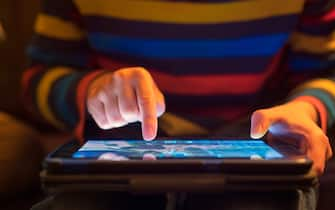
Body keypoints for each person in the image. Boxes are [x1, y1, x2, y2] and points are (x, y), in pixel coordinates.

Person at [25, 0, 334, 209]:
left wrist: (305, 108)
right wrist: (90, 91)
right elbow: (39, 81)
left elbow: (325, 72)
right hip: (120, 147)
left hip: (254, 146)